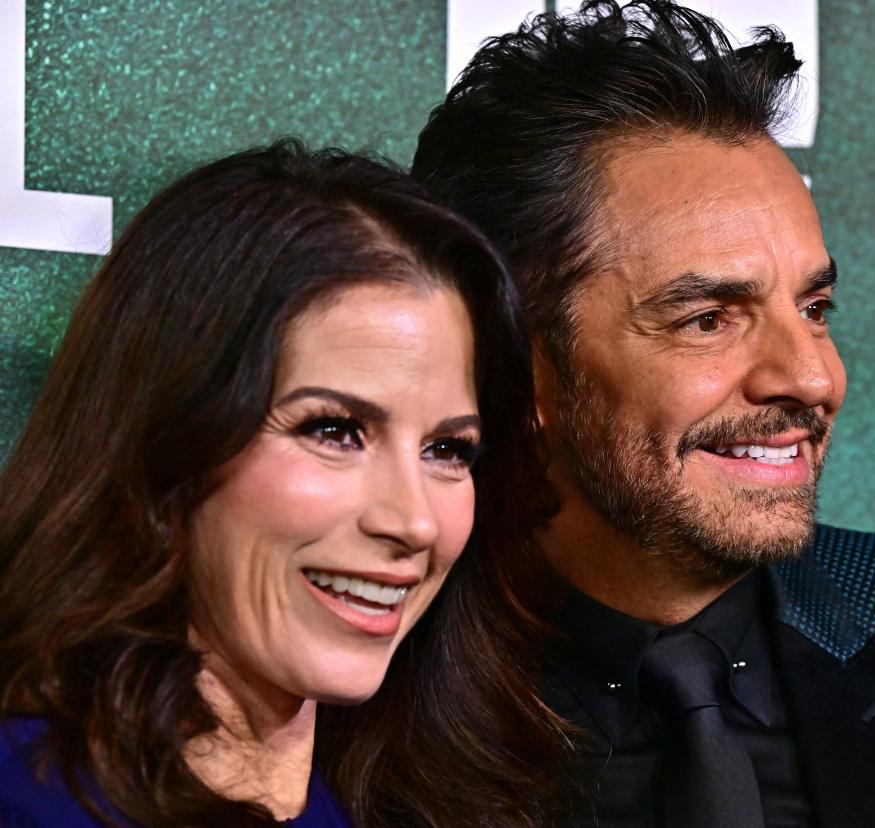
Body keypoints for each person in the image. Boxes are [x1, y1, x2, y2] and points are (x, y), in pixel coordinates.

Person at [412, 1, 875, 825]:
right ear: (516, 364)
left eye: (814, 307)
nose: (810, 376)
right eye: (706, 320)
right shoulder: (357, 688)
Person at [0, 140, 564, 827]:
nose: (414, 521)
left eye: (448, 449)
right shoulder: (32, 798)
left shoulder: (440, 793)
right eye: (334, 431)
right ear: (166, 435)